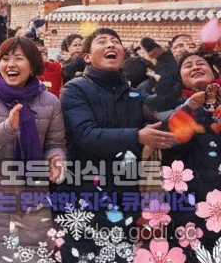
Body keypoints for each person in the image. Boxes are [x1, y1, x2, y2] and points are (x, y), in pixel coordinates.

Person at [57, 28, 179, 263]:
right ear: (87, 57)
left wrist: (165, 60)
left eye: (116, 42)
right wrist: (137, 136)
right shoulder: (75, 89)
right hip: (83, 196)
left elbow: (164, 105)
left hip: (123, 197)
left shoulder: (133, 95)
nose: (111, 45)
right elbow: (85, 135)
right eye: (102, 42)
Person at [0, 36, 66, 259]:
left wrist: (56, 159)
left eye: (19, 58)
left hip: (33, 200)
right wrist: (8, 127)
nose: (11, 65)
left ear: (32, 66)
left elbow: (55, 144)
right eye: (5, 58)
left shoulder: (50, 102)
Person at [159, 50, 221, 258]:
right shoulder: (170, 105)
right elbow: (168, 139)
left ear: (213, 71)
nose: (195, 67)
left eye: (200, 63)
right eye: (188, 65)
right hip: (188, 202)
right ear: (180, 78)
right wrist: (192, 106)